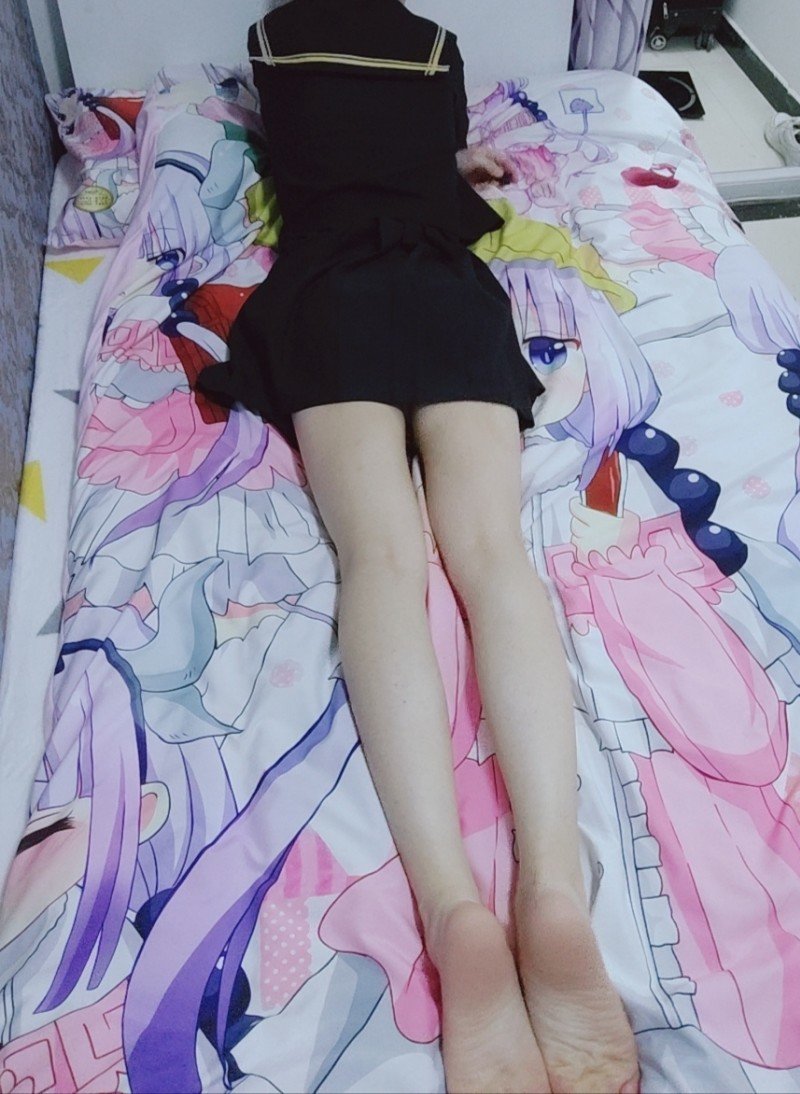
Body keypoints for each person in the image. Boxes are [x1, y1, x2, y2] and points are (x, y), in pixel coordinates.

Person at [195, 2, 641, 1091]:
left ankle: (452, 913)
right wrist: (455, 164)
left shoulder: (274, 41)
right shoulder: (438, 48)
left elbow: (305, 154)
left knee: (382, 561)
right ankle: (549, 891)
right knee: (491, 557)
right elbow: (434, 162)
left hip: (329, 296)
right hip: (445, 293)